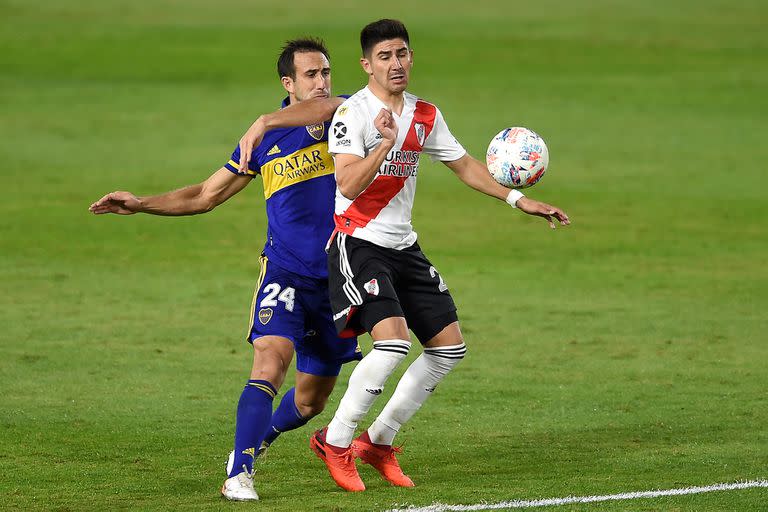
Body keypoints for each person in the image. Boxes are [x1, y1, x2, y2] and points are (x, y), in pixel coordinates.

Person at [301, 19, 571, 492]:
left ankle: (377, 442)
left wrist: (517, 200)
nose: (396, 63)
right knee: (392, 344)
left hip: (403, 245)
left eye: (402, 53)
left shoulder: (425, 114)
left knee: (448, 349)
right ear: (366, 65)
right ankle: (336, 441)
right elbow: (344, 183)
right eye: (384, 56)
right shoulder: (353, 115)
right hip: (358, 242)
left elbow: (463, 164)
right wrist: (385, 143)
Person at [88, 38, 362, 501]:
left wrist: (266, 118)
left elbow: (339, 104)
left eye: (325, 72)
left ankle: (262, 439)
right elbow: (204, 196)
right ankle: (239, 471)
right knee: (270, 360)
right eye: (310, 75)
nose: (321, 82)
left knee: (310, 401)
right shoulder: (264, 141)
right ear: (288, 83)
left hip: (339, 279)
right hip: (285, 272)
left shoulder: (348, 119)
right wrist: (140, 204)